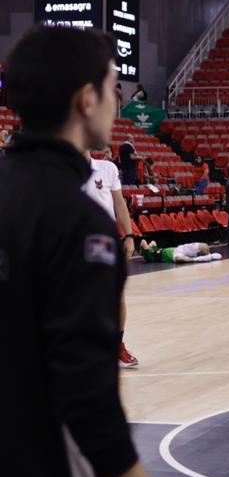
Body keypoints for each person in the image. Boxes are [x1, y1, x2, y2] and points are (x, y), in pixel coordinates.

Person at [0, 25, 187, 477]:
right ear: (86, 99)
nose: (116, 103)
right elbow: (84, 388)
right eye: (112, 87)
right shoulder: (81, 223)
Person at [84, 145, 140, 369]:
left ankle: (117, 345)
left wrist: (128, 235)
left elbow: (120, 204)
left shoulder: (107, 168)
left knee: (116, 296)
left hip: (104, 243)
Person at [140, 240, 223, 263]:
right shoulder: (149, 256)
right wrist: (145, 249)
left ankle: (209, 255)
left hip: (180, 248)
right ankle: (198, 259)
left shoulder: (153, 249)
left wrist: (149, 246)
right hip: (173, 255)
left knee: (204, 246)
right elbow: (143, 242)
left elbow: (153, 242)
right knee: (180, 259)